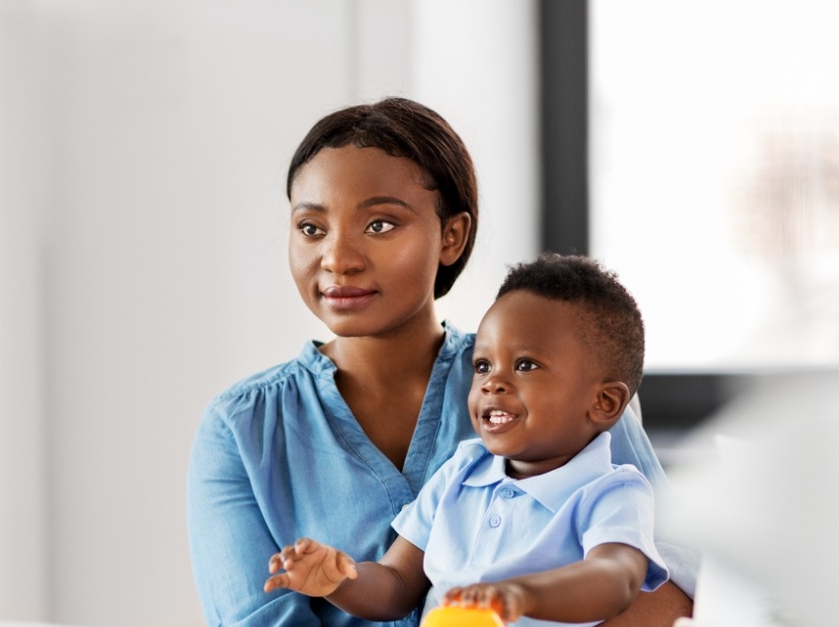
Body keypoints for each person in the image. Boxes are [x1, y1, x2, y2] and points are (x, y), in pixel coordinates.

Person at [185, 97, 695, 626]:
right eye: (311, 228)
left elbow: (671, 584)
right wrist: (339, 578)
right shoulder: (240, 430)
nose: (337, 258)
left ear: (452, 235)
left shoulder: (568, 385)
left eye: (380, 224)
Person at [264, 253, 669, 626]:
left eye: (525, 365)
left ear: (604, 402)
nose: (493, 382)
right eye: (482, 364)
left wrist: (521, 594)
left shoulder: (613, 491)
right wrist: (340, 580)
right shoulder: (462, 471)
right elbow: (395, 586)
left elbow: (614, 579)